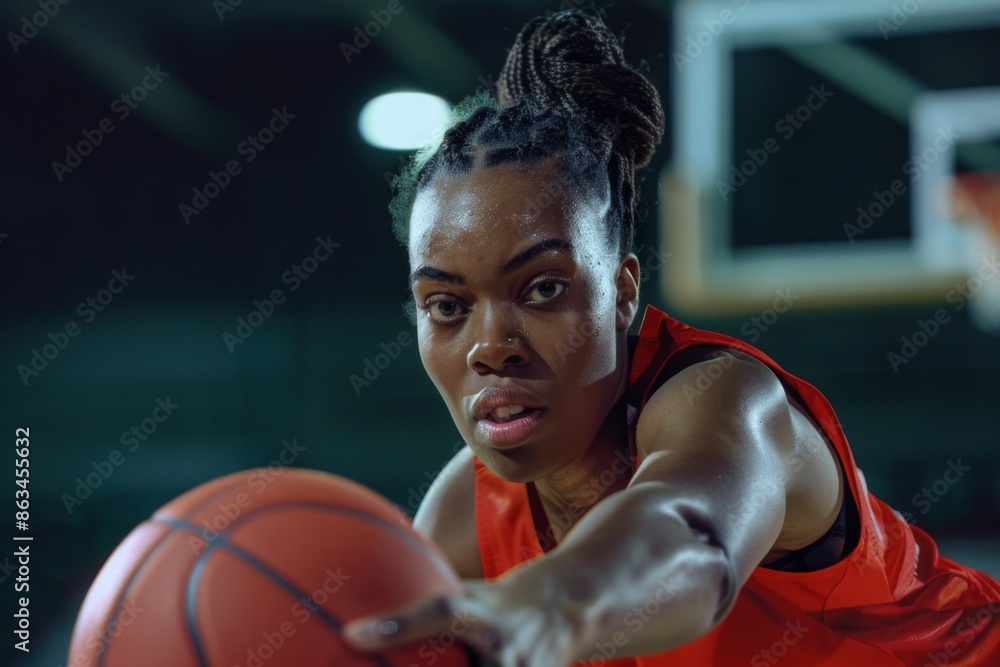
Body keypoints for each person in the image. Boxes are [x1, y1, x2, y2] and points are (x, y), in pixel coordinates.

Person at [343, 8, 1000, 666]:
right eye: (446, 305)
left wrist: (555, 601)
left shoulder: (724, 400)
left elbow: (691, 535)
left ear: (622, 292)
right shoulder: (462, 522)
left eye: (543, 289)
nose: (490, 347)